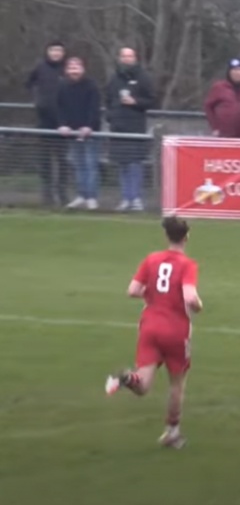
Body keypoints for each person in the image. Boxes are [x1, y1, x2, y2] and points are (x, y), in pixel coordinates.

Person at [105, 216, 203, 449]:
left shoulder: (152, 259)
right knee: (177, 384)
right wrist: (199, 305)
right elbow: (190, 296)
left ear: (166, 236)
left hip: (149, 327)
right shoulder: (187, 265)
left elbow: (132, 290)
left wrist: (152, 295)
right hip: (176, 331)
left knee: (143, 385)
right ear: (186, 237)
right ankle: (172, 433)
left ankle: (128, 379)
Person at [106, 47, 156, 212]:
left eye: (130, 56)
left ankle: (136, 198)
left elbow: (152, 100)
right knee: (122, 164)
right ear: (120, 58)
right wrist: (111, 116)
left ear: (135, 58)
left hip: (135, 127)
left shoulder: (143, 77)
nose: (127, 59)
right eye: (124, 56)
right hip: (117, 127)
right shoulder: (114, 79)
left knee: (135, 164)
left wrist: (135, 102)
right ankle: (126, 198)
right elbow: (108, 100)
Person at [56, 57, 102, 210]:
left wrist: (89, 126)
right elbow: (59, 108)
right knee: (78, 165)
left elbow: (94, 108)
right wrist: (63, 125)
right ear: (66, 70)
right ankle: (81, 195)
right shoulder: (62, 86)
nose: (74, 69)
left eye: (77, 66)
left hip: (90, 133)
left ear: (83, 69)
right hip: (72, 133)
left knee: (91, 165)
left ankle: (91, 197)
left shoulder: (91, 86)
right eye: (71, 66)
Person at [26, 41, 68, 207]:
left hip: (64, 120)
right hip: (44, 119)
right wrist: (38, 99)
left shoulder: (67, 68)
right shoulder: (40, 68)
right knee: (44, 158)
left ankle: (62, 193)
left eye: (59, 50)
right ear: (48, 52)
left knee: (62, 159)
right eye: (53, 50)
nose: (56, 53)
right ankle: (47, 193)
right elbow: (29, 83)